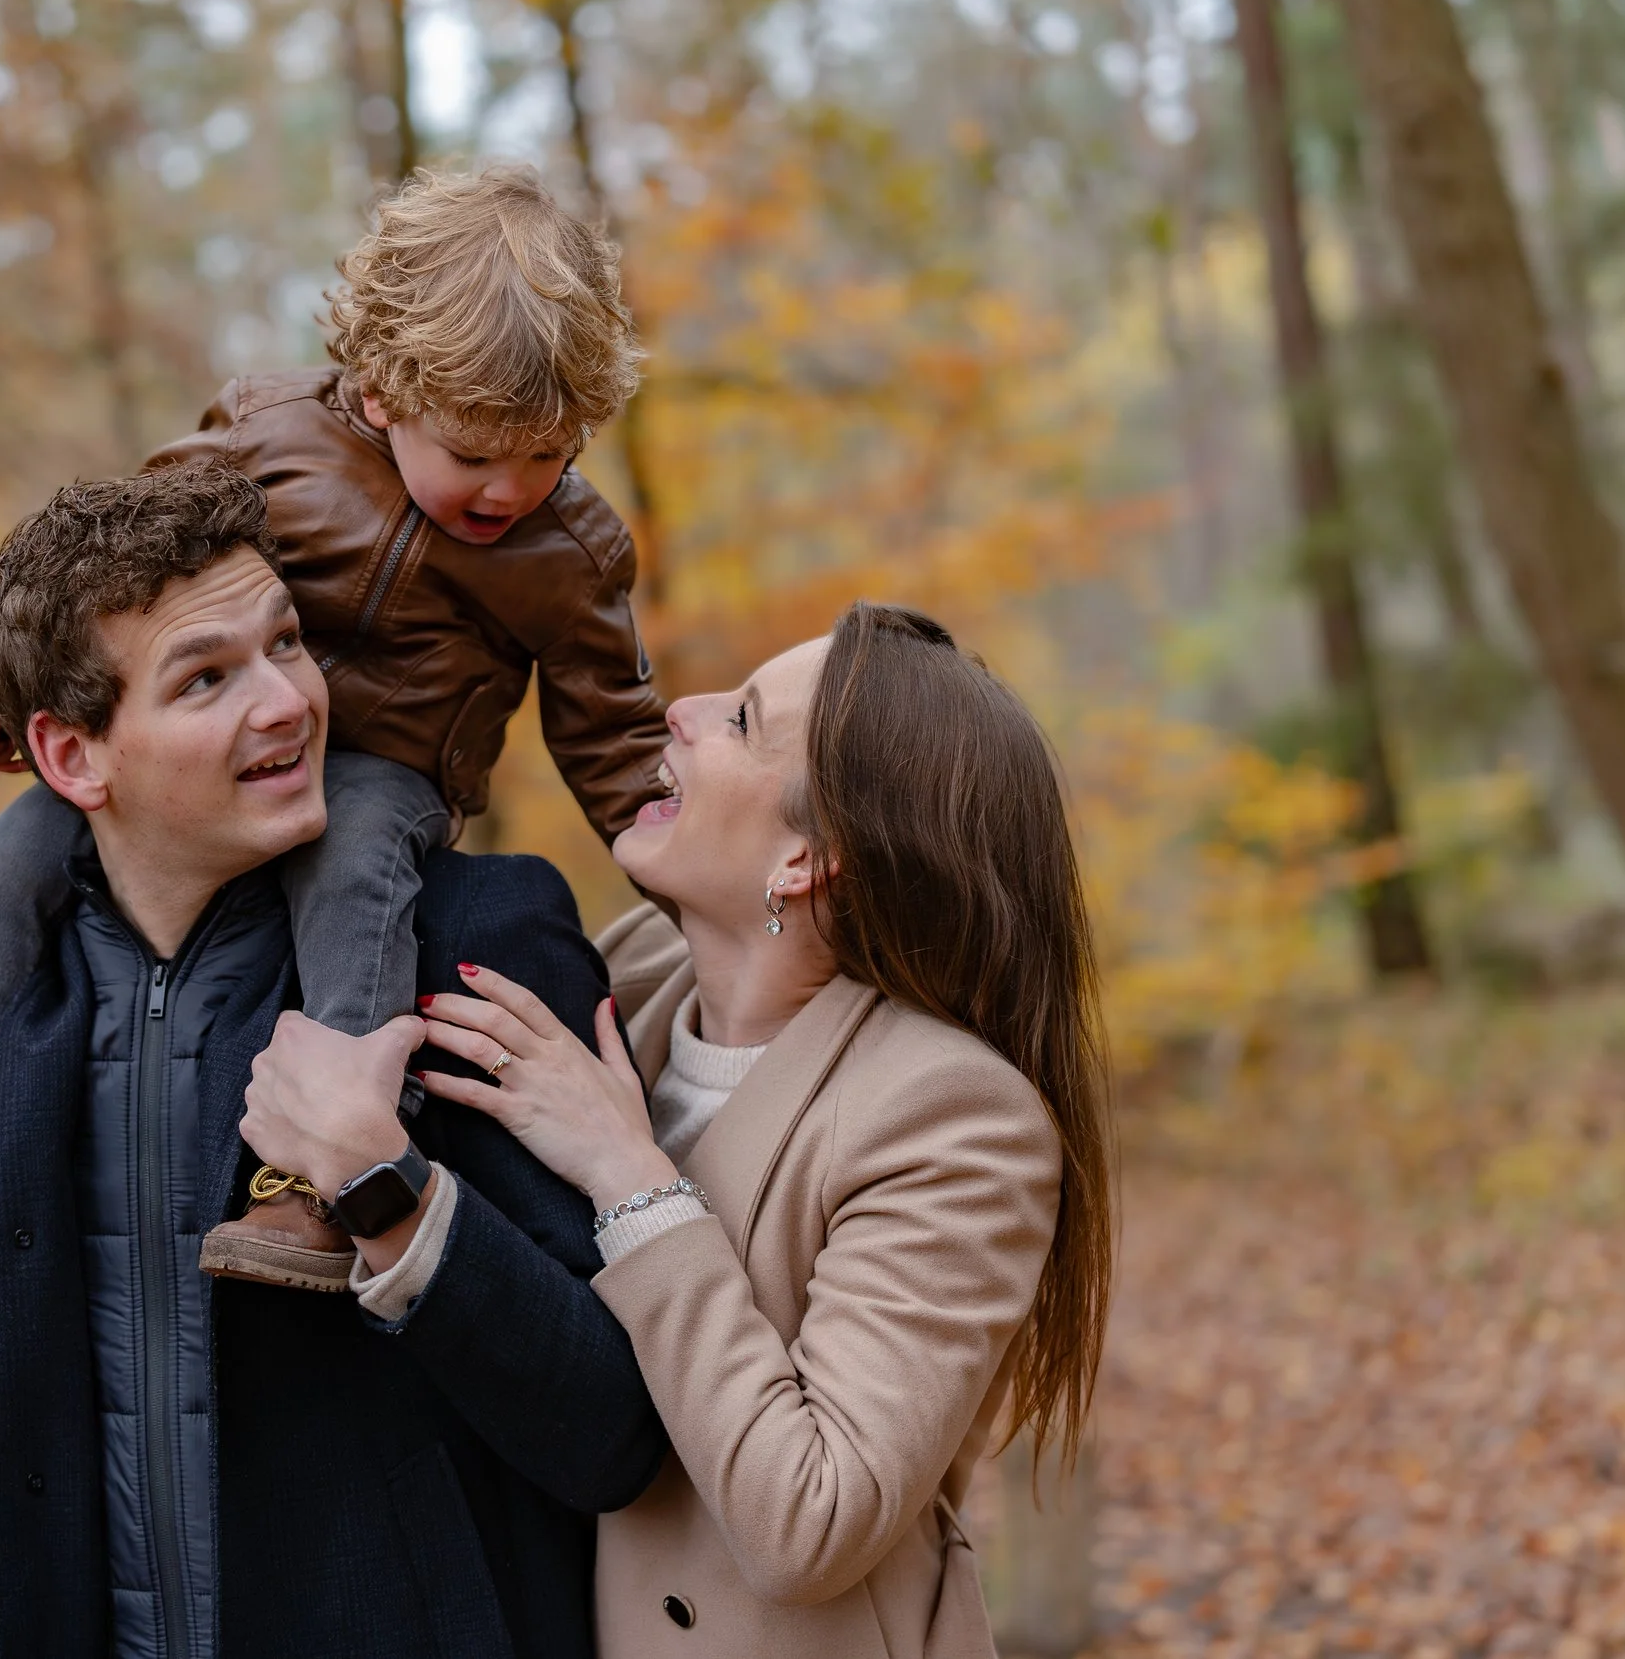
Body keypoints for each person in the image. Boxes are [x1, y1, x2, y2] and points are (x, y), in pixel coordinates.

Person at [0, 463, 665, 1658]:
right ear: (73, 756)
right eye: (206, 677)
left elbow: (612, 1436)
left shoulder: (474, 939)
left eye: (286, 643)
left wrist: (394, 1195)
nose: (289, 701)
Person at [0, 165, 668, 1308]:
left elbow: (610, 728)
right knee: (12, 855)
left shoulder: (571, 551)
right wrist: (0, 686)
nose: (511, 489)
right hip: (196, 766)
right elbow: (109, 575)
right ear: (383, 392)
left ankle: (318, 1172)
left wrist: (692, 854)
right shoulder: (271, 433)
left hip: (386, 773)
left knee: (351, 874)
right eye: (478, 453)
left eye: (549, 455)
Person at [253, 603, 1117, 1656]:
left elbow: (809, 1520)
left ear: (810, 858)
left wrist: (630, 1174)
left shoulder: (955, 1116)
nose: (682, 713)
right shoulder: (617, 987)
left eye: (743, 720)